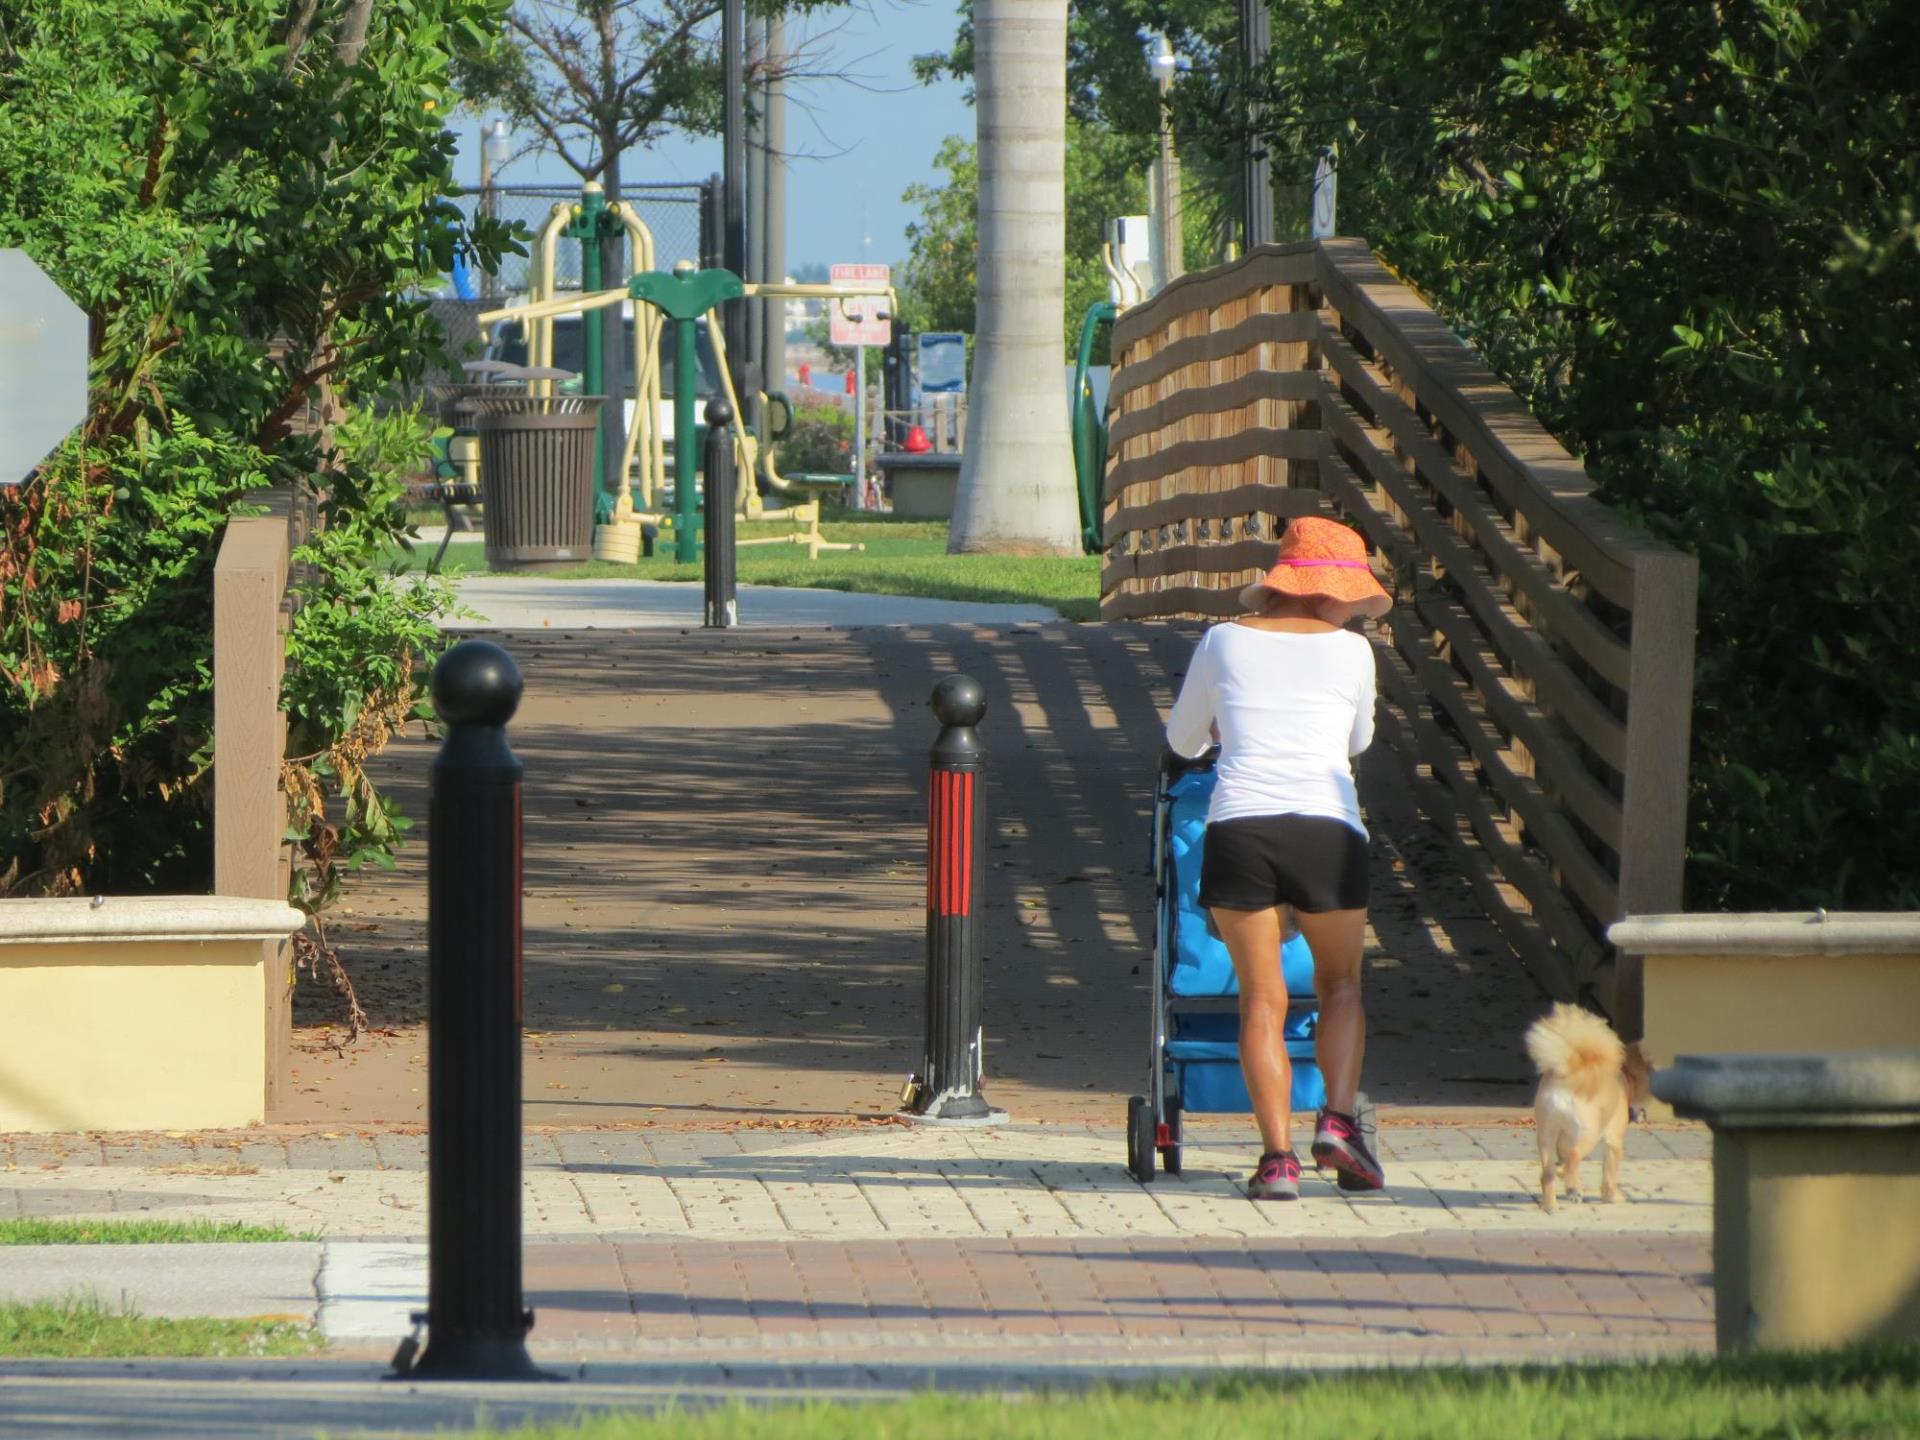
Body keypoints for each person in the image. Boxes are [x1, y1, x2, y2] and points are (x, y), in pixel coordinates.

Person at [1163, 516, 1392, 1201]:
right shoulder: (1353, 652)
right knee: (1341, 986)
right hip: (1328, 826)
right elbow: (1358, 742)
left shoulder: (1223, 641)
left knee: (1261, 998)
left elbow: (1181, 740)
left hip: (1242, 827)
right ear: (1328, 594)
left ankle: (1278, 1162)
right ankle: (1340, 1124)